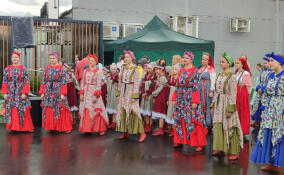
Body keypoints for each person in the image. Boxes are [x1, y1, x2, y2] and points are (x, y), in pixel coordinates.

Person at [250, 52, 284, 172]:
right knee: (267, 134)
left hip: (280, 110)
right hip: (270, 109)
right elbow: (266, 93)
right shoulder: (271, 76)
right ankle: (271, 162)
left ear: (280, 62)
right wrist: (264, 108)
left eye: (272, 61)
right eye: (269, 61)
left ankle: (277, 163)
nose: (269, 63)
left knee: (278, 135)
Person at [171, 51, 207, 152]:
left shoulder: (195, 71)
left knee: (192, 118)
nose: (184, 59)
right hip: (180, 98)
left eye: (187, 58)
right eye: (184, 58)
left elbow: (196, 87)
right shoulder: (181, 70)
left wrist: (195, 101)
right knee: (179, 118)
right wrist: (174, 98)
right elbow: (177, 85)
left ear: (191, 59)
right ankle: (179, 140)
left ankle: (198, 143)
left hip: (190, 98)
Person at [210, 52, 243, 160]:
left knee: (230, 126)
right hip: (219, 103)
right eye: (220, 61)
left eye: (223, 62)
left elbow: (233, 94)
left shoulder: (232, 77)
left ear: (229, 63)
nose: (221, 63)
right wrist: (213, 105)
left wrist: (230, 109)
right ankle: (220, 148)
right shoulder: (219, 75)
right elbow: (216, 91)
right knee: (218, 125)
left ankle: (234, 151)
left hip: (227, 103)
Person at [116, 50, 146, 142]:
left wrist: (134, 96)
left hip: (131, 91)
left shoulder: (135, 68)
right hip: (124, 92)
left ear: (132, 58)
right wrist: (118, 93)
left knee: (134, 111)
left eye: (128, 57)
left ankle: (142, 133)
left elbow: (137, 83)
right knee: (123, 110)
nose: (126, 58)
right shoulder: (123, 68)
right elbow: (120, 81)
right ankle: (125, 131)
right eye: (125, 57)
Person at [39, 52, 73, 133]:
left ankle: (64, 127)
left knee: (61, 107)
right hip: (48, 91)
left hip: (58, 90)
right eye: (50, 58)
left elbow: (64, 82)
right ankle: (51, 126)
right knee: (49, 107)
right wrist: (42, 93)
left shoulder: (61, 69)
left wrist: (62, 93)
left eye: (53, 58)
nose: (52, 60)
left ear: (57, 59)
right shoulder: (47, 68)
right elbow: (44, 81)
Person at [1, 51, 34, 132]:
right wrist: (5, 93)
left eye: (16, 57)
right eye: (13, 57)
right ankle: (12, 127)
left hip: (20, 92)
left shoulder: (23, 69)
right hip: (11, 92)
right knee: (12, 109)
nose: (14, 59)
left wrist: (24, 93)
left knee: (23, 109)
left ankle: (26, 127)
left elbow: (26, 81)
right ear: (11, 59)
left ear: (19, 58)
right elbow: (4, 81)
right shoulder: (7, 69)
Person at [78, 54, 109, 135]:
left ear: (96, 62)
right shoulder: (85, 71)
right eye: (90, 61)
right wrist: (81, 94)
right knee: (86, 109)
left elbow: (99, 85)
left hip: (93, 92)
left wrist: (96, 95)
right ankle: (87, 128)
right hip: (86, 92)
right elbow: (82, 83)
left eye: (92, 61)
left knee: (96, 109)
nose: (90, 62)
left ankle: (101, 128)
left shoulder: (99, 72)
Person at [251, 58, 272, 127]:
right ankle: (257, 120)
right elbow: (259, 81)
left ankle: (263, 122)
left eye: (266, 63)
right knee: (256, 105)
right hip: (260, 91)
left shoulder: (271, 72)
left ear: (270, 63)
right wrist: (258, 88)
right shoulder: (263, 71)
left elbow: (269, 82)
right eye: (264, 63)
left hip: (265, 92)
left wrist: (263, 89)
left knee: (263, 106)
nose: (264, 64)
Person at [197, 52, 216, 128]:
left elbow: (213, 80)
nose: (203, 61)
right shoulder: (201, 68)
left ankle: (208, 123)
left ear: (208, 61)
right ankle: (201, 121)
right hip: (201, 89)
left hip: (207, 89)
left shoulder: (211, 69)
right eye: (203, 59)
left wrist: (211, 91)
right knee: (201, 103)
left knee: (207, 104)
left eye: (205, 60)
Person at [235, 57, 252, 137]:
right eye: (236, 63)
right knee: (236, 110)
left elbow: (249, 85)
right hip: (236, 92)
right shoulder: (236, 73)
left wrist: (247, 95)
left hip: (242, 92)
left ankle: (243, 129)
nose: (236, 65)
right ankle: (236, 128)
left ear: (242, 64)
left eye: (238, 63)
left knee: (242, 110)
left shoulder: (245, 73)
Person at [152, 65, 169, 136]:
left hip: (161, 97)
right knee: (159, 113)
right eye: (155, 69)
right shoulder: (160, 77)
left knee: (161, 113)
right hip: (159, 97)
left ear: (161, 70)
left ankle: (161, 129)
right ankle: (160, 128)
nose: (156, 71)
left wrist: (153, 94)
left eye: (157, 70)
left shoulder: (163, 78)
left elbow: (159, 89)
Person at [140, 62, 156, 133]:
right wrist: (143, 93)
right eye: (147, 68)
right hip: (144, 95)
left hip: (150, 95)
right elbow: (142, 86)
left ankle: (150, 124)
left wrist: (147, 93)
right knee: (145, 111)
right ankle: (146, 124)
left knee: (150, 110)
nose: (148, 70)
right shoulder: (145, 76)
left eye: (150, 68)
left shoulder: (154, 76)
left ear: (153, 69)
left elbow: (153, 87)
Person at [166, 64, 180, 136]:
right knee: (170, 112)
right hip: (171, 97)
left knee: (175, 112)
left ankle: (176, 130)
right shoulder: (170, 79)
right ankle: (171, 129)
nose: (174, 71)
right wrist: (168, 99)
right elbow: (168, 90)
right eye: (173, 69)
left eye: (176, 69)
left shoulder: (179, 79)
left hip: (176, 98)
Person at [106, 63, 119, 129]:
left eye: (114, 69)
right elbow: (107, 85)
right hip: (110, 94)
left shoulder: (118, 77)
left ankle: (115, 123)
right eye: (112, 69)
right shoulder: (109, 78)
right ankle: (112, 122)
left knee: (116, 108)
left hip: (116, 94)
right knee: (112, 108)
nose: (113, 70)